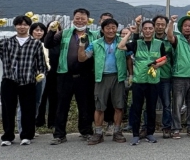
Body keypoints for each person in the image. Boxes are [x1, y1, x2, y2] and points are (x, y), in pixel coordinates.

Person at [45, 8, 96, 145]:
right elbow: (48, 44)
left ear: (88, 20)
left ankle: (86, 131)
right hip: (65, 75)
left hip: (85, 76)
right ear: (73, 19)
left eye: (83, 19)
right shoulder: (64, 33)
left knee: (85, 105)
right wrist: (51, 31)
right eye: (77, 18)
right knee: (62, 106)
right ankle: (59, 134)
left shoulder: (94, 35)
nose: (80, 21)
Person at [78, 18, 127, 144]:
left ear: (117, 29)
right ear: (102, 30)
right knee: (99, 106)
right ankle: (98, 133)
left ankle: (117, 132)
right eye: (108, 28)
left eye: (113, 28)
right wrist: (81, 45)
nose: (111, 30)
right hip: (101, 77)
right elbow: (82, 58)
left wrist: (130, 75)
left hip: (118, 77)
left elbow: (129, 58)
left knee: (119, 106)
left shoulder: (122, 42)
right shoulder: (96, 43)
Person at [1, 16, 48, 146]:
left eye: (25, 24)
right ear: (15, 26)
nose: (22, 27)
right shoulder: (6, 42)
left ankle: (27, 135)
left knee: (28, 109)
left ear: (29, 26)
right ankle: (8, 136)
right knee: (8, 109)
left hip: (28, 80)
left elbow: (41, 62)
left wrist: (41, 74)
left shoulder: (35, 43)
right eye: (19, 24)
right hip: (9, 79)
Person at [118, 20, 167, 145]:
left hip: (153, 80)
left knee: (151, 108)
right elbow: (121, 46)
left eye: (150, 28)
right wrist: (130, 32)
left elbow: (164, 58)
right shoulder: (136, 43)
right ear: (142, 30)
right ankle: (135, 135)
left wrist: (158, 65)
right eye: (145, 28)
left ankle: (150, 133)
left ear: (154, 29)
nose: (148, 31)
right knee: (136, 108)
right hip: (139, 80)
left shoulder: (159, 43)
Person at [166, 14, 190, 139]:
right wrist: (171, 22)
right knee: (177, 104)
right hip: (179, 76)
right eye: (185, 26)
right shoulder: (177, 39)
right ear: (181, 27)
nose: (187, 28)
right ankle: (176, 128)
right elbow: (169, 36)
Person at [17, 22, 50, 135]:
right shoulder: (26, 43)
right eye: (36, 30)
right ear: (31, 31)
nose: (39, 32)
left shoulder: (44, 45)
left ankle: (30, 129)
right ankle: (21, 129)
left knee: (37, 102)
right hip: (26, 77)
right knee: (23, 103)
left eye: (41, 30)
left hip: (41, 76)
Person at [36, 20, 60, 129]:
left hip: (56, 74)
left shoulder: (60, 43)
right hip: (42, 74)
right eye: (51, 28)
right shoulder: (41, 42)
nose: (54, 30)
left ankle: (52, 123)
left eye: (56, 29)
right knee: (41, 98)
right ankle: (39, 121)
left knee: (54, 99)